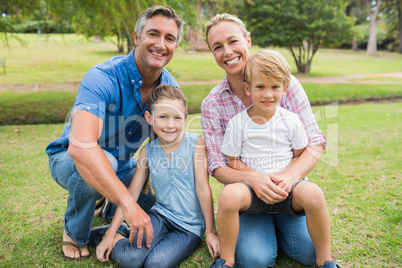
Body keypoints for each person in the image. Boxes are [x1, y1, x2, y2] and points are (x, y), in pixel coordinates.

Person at [45, 5, 183, 260]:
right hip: (68, 159)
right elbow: (81, 147)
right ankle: (75, 233)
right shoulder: (102, 77)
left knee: (160, 206)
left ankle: (108, 204)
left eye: (170, 38)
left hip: (122, 165)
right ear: (137, 37)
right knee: (101, 161)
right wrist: (128, 205)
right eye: (153, 34)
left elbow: (163, 149)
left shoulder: (168, 87)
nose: (161, 44)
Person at [201, 14, 330, 267]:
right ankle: (258, 234)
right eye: (217, 47)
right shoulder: (212, 104)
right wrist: (256, 179)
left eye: (233, 41)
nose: (227, 52)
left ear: (247, 40)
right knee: (255, 259)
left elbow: (314, 144)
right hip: (249, 193)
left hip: (288, 188)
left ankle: (288, 231)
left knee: (308, 253)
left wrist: (287, 179)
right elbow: (218, 166)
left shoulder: (286, 83)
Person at [90, 84, 219, 267]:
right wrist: (110, 236)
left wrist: (211, 232)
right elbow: (131, 195)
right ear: (149, 118)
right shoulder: (147, 152)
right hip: (160, 216)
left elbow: (203, 188)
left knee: (155, 264)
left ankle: (129, 235)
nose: (170, 125)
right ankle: (117, 234)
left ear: (185, 118)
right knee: (130, 259)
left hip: (189, 228)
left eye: (177, 118)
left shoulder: (195, 143)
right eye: (163, 117)